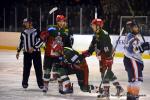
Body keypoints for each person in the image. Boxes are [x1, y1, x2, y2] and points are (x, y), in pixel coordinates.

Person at [82, 18, 124, 98]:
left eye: (94, 25)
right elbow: (92, 47)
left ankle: (106, 92)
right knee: (107, 73)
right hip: (101, 56)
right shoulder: (95, 34)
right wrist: (86, 53)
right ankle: (119, 88)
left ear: (98, 26)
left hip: (107, 55)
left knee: (104, 73)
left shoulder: (104, 35)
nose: (92, 27)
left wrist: (109, 58)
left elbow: (107, 47)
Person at [39, 15, 74, 94]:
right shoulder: (51, 28)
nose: (62, 23)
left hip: (59, 55)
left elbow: (68, 44)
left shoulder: (66, 31)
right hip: (49, 54)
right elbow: (44, 35)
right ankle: (45, 86)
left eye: (63, 21)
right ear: (57, 21)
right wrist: (44, 35)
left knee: (59, 71)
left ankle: (60, 86)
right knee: (47, 71)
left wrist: (67, 52)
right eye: (60, 21)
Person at [123, 20, 150, 100]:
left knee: (132, 81)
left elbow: (136, 49)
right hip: (133, 61)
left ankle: (130, 97)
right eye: (136, 27)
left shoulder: (131, 36)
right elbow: (133, 50)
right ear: (131, 28)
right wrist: (142, 47)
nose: (138, 28)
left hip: (130, 60)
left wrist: (143, 47)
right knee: (137, 81)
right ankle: (134, 98)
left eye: (138, 27)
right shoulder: (131, 37)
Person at [16, 18, 43, 89]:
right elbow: (21, 42)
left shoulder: (37, 31)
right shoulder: (23, 32)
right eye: (24, 22)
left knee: (38, 68)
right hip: (27, 53)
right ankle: (24, 83)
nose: (24, 24)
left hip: (36, 53)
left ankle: (40, 83)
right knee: (26, 69)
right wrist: (18, 51)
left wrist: (34, 47)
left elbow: (41, 41)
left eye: (26, 22)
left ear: (30, 23)